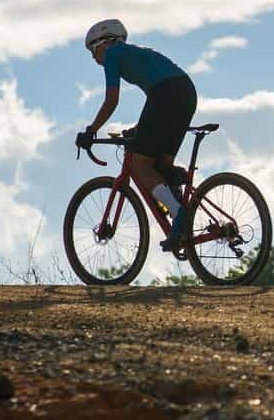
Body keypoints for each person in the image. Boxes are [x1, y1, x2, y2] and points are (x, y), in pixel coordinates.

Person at [80, 18, 199, 253]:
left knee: (138, 165)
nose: (94, 58)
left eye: (93, 51)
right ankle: (180, 204)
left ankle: (179, 215)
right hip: (186, 93)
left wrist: (91, 130)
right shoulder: (134, 53)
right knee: (160, 165)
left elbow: (111, 101)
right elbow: (158, 106)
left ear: (104, 43)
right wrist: (139, 129)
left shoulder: (113, 55)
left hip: (165, 95)